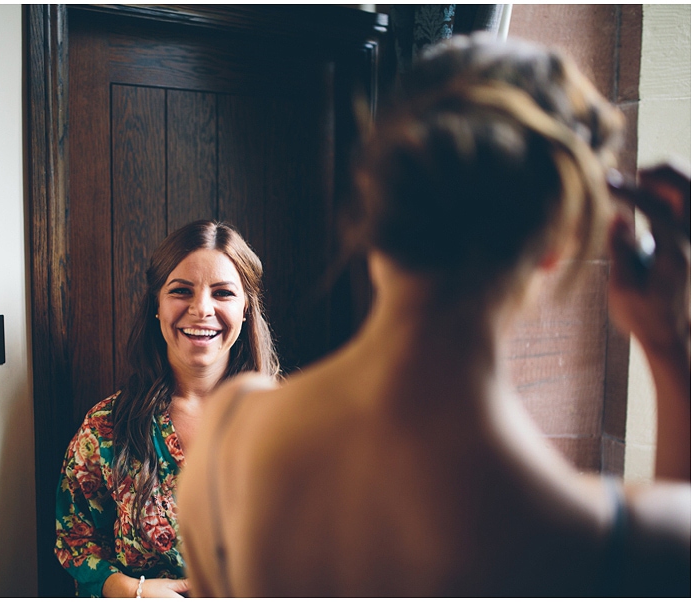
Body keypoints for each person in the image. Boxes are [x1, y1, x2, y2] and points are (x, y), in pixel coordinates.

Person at [177, 34, 690, 597]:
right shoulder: (624, 541)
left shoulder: (230, 438)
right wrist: (670, 348)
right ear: (559, 239)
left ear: (373, 205)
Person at [55, 220, 280, 597]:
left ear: (245, 309)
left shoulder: (292, 421)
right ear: (156, 306)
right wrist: (132, 590)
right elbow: (74, 540)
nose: (201, 309)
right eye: (181, 291)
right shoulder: (106, 427)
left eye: (223, 293)